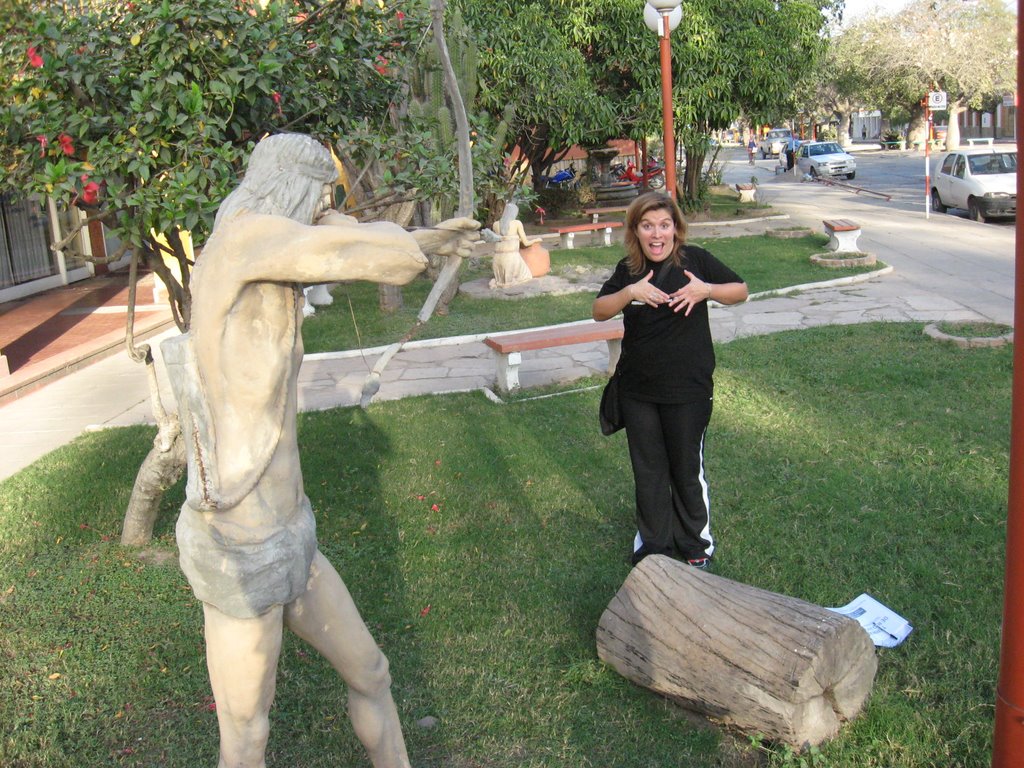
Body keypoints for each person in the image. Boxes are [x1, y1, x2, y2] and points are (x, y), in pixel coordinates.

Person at [161, 133, 478, 768]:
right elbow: (369, 255)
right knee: (247, 738)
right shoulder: (245, 241)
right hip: (242, 550)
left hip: (293, 535)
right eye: (323, 196)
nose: (327, 208)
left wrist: (426, 239)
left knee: (372, 673)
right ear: (295, 189)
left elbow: (356, 244)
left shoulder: (272, 257)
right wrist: (416, 244)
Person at [593, 192, 748, 569]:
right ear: (636, 231)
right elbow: (599, 311)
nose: (656, 234)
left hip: (688, 391)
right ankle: (653, 546)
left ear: (676, 229)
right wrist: (630, 292)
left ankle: (696, 546)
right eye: (647, 226)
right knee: (648, 470)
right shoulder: (629, 269)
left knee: (685, 468)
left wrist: (706, 290)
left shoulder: (695, 261)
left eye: (664, 225)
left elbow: (740, 291)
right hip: (638, 391)